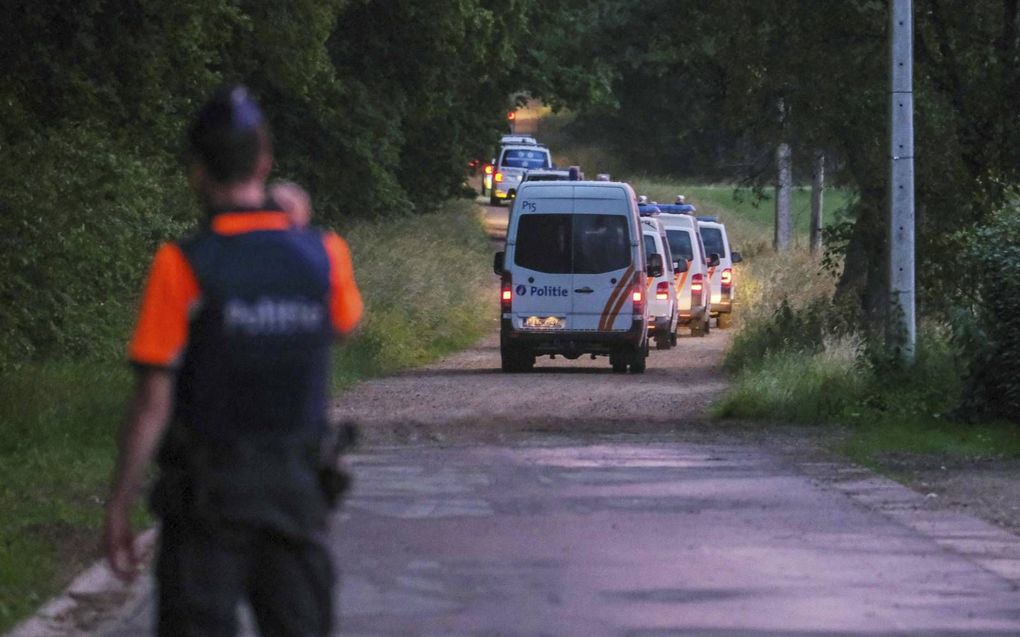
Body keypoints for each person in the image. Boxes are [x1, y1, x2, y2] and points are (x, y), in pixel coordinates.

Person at [103, 85, 363, 636]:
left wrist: (120, 501)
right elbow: (344, 325)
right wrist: (292, 227)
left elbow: (153, 399)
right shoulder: (324, 254)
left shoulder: (182, 264)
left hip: (207, 508)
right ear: (265, 161)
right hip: (295, 498)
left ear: (197, 170)